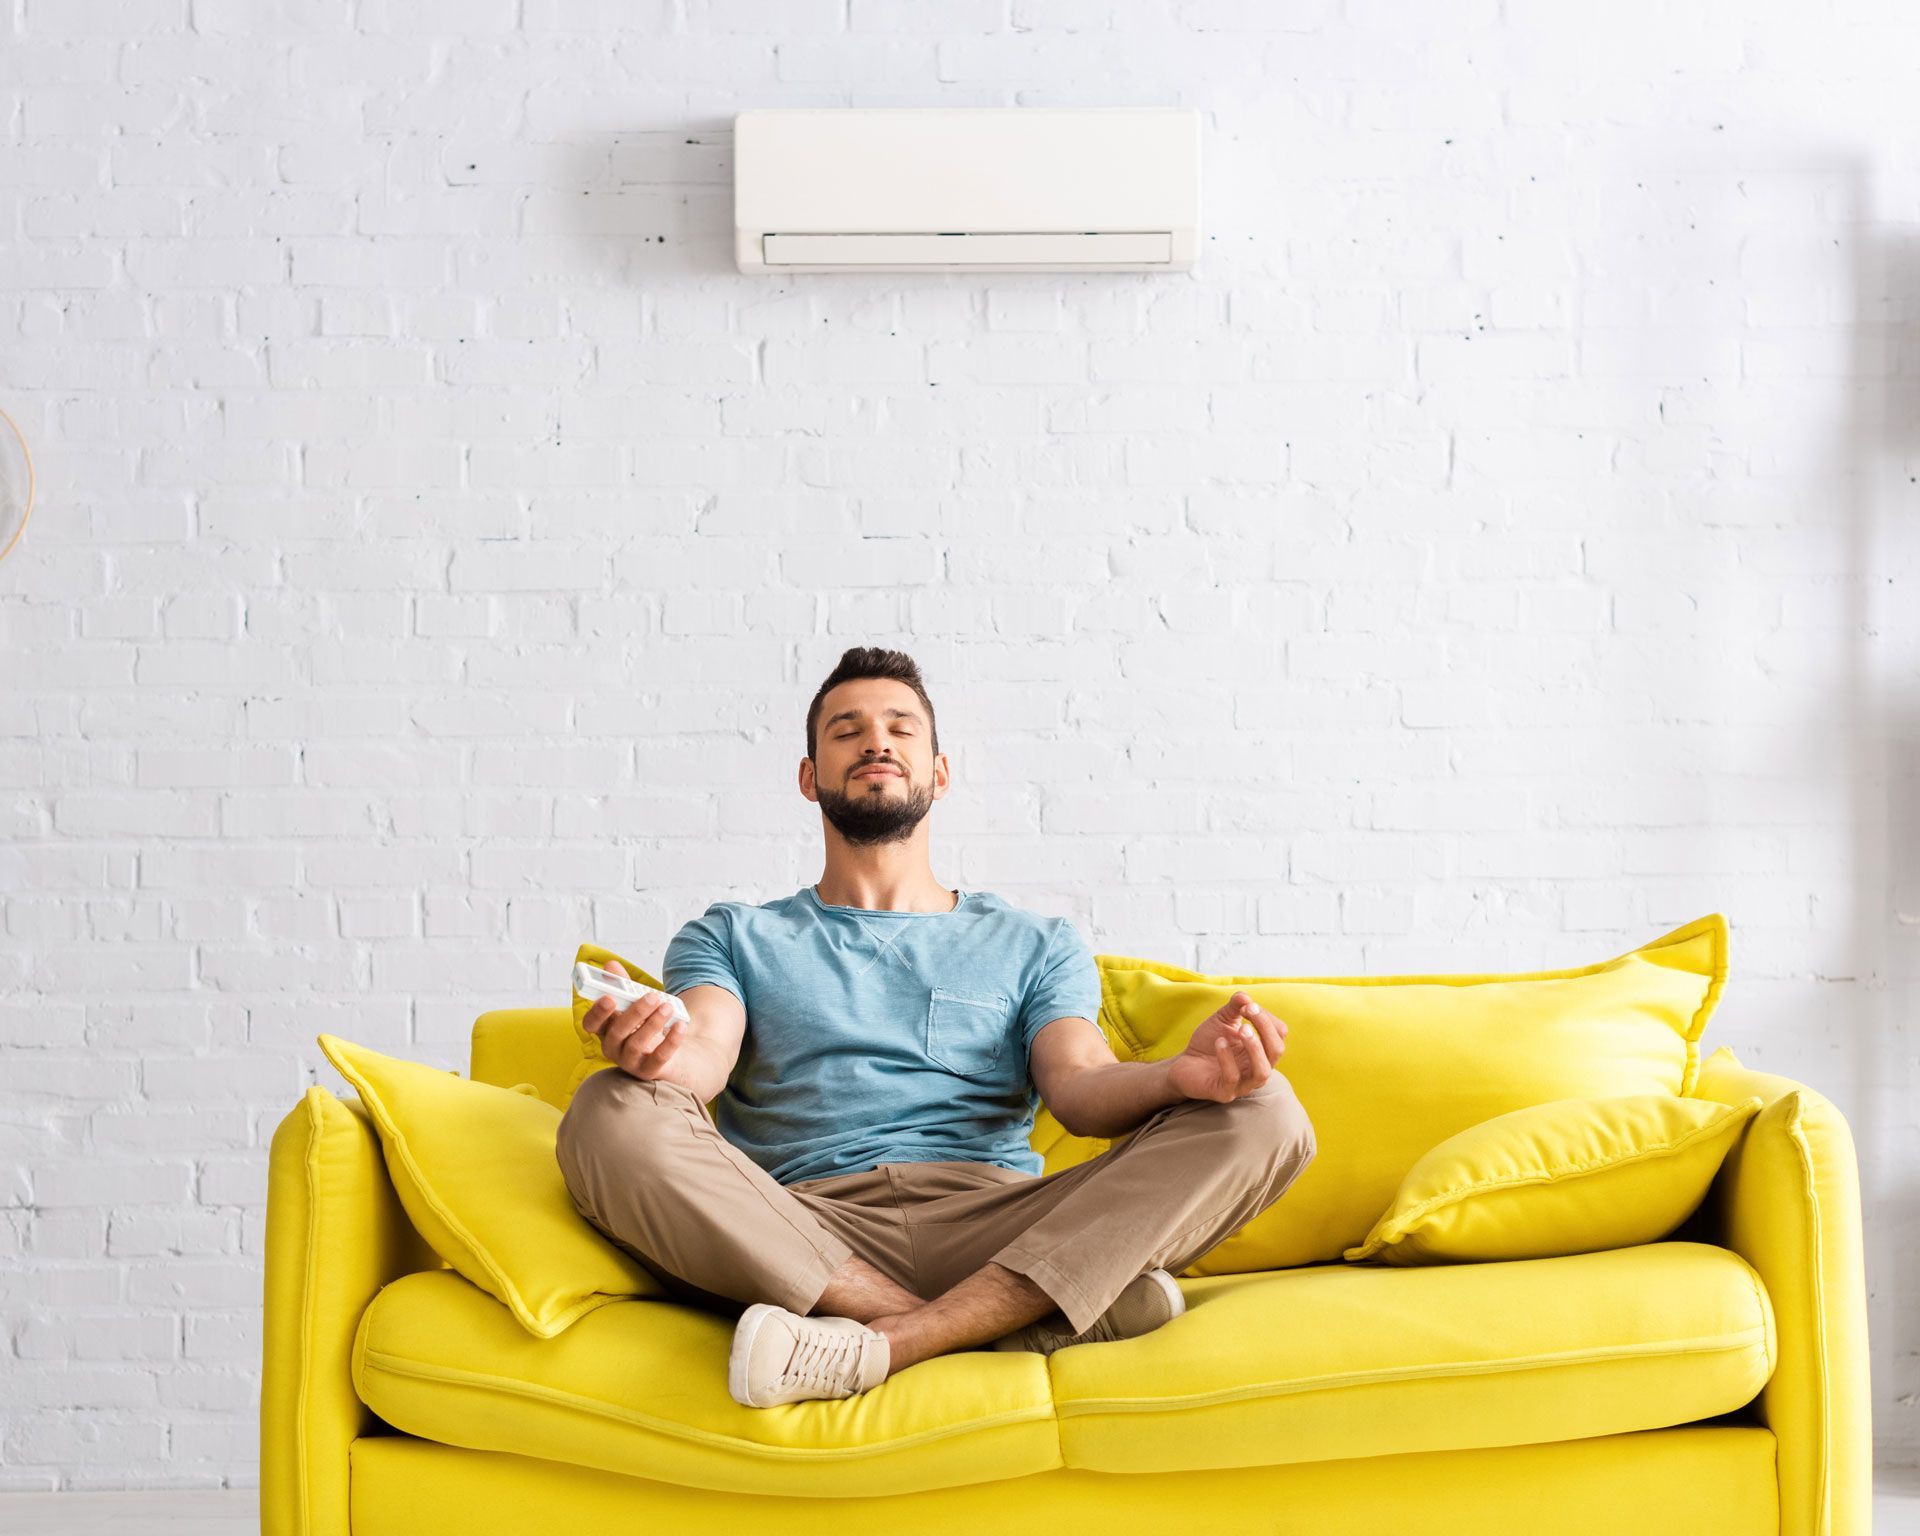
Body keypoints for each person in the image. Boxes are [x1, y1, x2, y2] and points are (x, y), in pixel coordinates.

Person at [555, 646, 1316, 1409]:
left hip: (998, 1223)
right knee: (610, 1107)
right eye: (846, 730)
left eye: (900, 728)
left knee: (1266, 1110)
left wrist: (1179, 1078)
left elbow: (1080, 1089)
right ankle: (997, 1323)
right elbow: (704, 1055)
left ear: (939, 773)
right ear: (808, 776)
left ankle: (887, 1344)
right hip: (799, 1227)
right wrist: (655, 1054)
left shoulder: (1034, 942)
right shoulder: (732, 934)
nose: (876, 742)